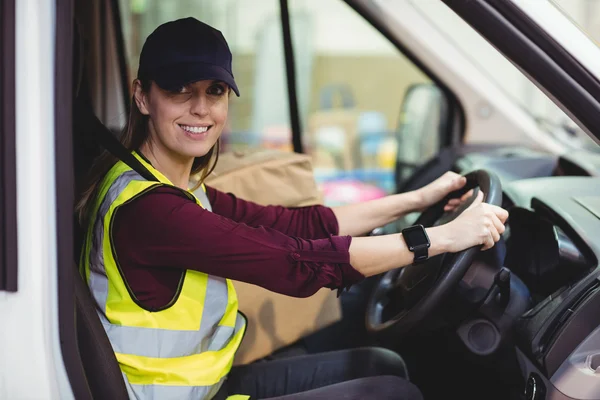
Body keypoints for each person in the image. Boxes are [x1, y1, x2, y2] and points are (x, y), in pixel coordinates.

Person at [76, 17, 508, 400]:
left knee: (384, 365)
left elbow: (301, 223)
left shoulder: (169, 186)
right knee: (393, 392)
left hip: (209, 385)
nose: (201, 108)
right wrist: (440, 238)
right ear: (142, 96)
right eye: (178, 90)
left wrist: (423, 199)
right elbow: (295, 263)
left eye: (215, 90)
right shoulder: (152, 213)